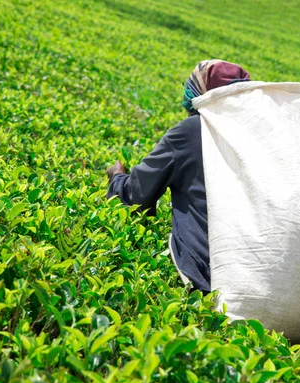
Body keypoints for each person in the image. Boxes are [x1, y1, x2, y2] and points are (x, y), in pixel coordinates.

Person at [106, 60, 250, 293]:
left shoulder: (191, 131)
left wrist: (116, 177)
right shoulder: (263, 137)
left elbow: (136, 197)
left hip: (213, 277)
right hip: (270, 275)